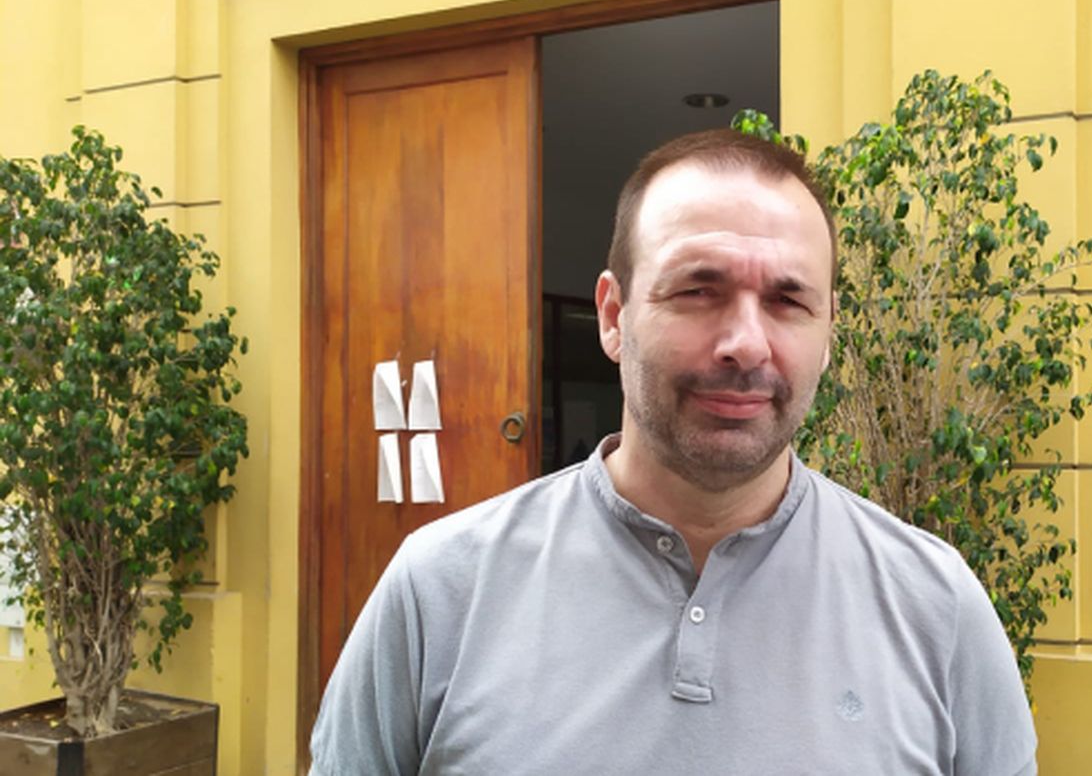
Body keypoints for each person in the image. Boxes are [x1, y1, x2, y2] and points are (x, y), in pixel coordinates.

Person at [309, 129, 1038, 775]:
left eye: (789, 301)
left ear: (828, 332)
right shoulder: (440, 591)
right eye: (697, 289)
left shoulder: (936, 607)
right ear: (613, 315)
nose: (746, 343)